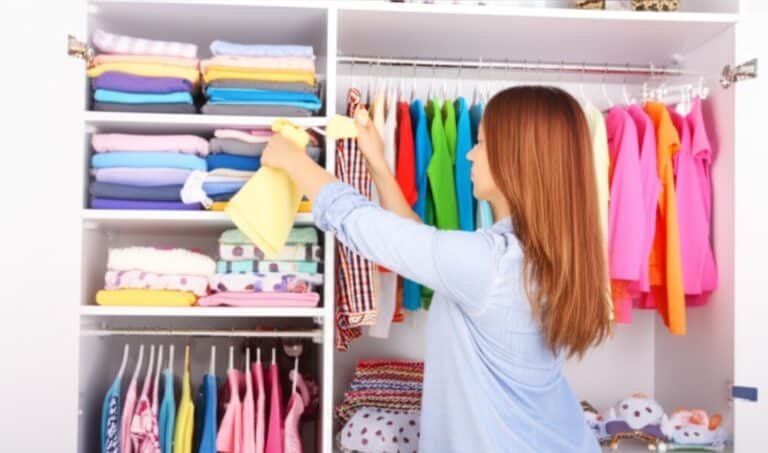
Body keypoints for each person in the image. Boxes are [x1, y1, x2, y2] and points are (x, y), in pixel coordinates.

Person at [261, 86, 611, 452]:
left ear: (516, 158)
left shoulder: (491, 264)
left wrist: (295, 162)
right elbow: (418, 240)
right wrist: (377, 162)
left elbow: (367, 228)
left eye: (480, 142)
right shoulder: (532, 257)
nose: (471, 155)